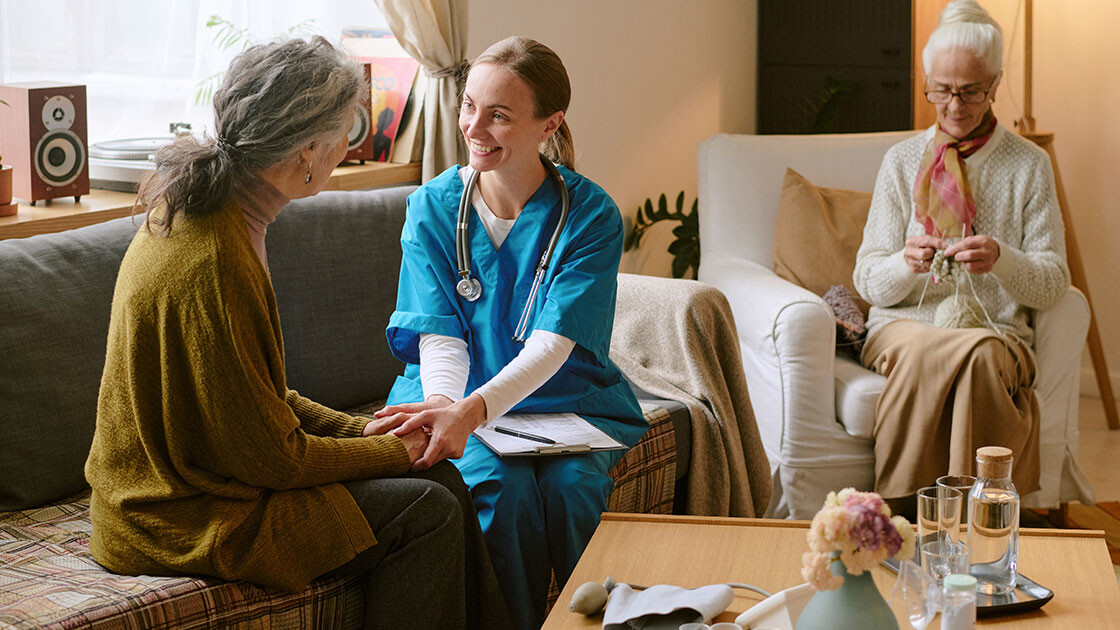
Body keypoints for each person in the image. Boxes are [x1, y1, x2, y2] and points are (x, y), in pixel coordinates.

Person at [84, 37, 510, 630]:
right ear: (308, 149)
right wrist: (392, 449)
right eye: (343, 134)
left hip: (208, 481)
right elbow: (271, 460)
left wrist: (368, 428)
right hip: (175, 513)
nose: (347, 147)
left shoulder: (213, 209)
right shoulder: (217, 257)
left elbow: (259, 400)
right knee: (426, 508)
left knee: (438, 475)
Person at [368, 36, 648, 629]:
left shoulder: (590, 216)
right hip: (452, 391)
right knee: (498, 492)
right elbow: (440, 336)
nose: (475, 127)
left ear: (551, 124)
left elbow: (554, 344)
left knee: (574, 489)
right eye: (469, 106)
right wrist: (448, 408)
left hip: (565, 396)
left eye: (499, 115)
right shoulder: (434, 207)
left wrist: (471, 412)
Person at [853, 0, 1068, 508]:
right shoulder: (901, 160)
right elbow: (867, 279)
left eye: (970, 91)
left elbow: (1055, 281)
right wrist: (905, 263)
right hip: (905, 326)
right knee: (957, 353)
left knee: (979, 354)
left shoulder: (1028, 165)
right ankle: (970, 512)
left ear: (994, 85)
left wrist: (1003, 258)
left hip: (994, 331)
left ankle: (930, 512)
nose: (953, 105)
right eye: (941, 90)